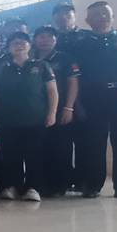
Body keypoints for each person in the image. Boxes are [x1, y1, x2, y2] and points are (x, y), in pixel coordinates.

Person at [73, 1, 117, 199]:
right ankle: (93, 185)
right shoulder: (80, 43)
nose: (101, 17)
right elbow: (74, 76)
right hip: (93, 96)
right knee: (94, 143)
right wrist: (77, 103)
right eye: (96, 14)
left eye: (105, 13)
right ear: (87, 20)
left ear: (113, 16)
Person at [0, 31, 58, 201]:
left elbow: (52, 91)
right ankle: (12, 186)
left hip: (35, 119)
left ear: (29, 45)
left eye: (22, 42)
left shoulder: (41, 66)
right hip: (7, 119)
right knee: (11, 154)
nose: (18, 45)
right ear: (8, 47)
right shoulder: (2, 67)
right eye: (14, 43)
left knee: (35, 154)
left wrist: (52, 113)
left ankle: (34, 188)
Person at [35, 26, 82, 197]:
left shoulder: (65, 58)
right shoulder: (31, 57)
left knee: (61, 147)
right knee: (41, 147)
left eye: (49, 37)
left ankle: (60, 184)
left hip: (61, 108)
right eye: (41, 36)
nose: (44, 40)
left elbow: (73, 83)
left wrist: (69, 107)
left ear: (56, 40)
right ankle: (42, 184)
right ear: (35, 39)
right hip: (37, 110)